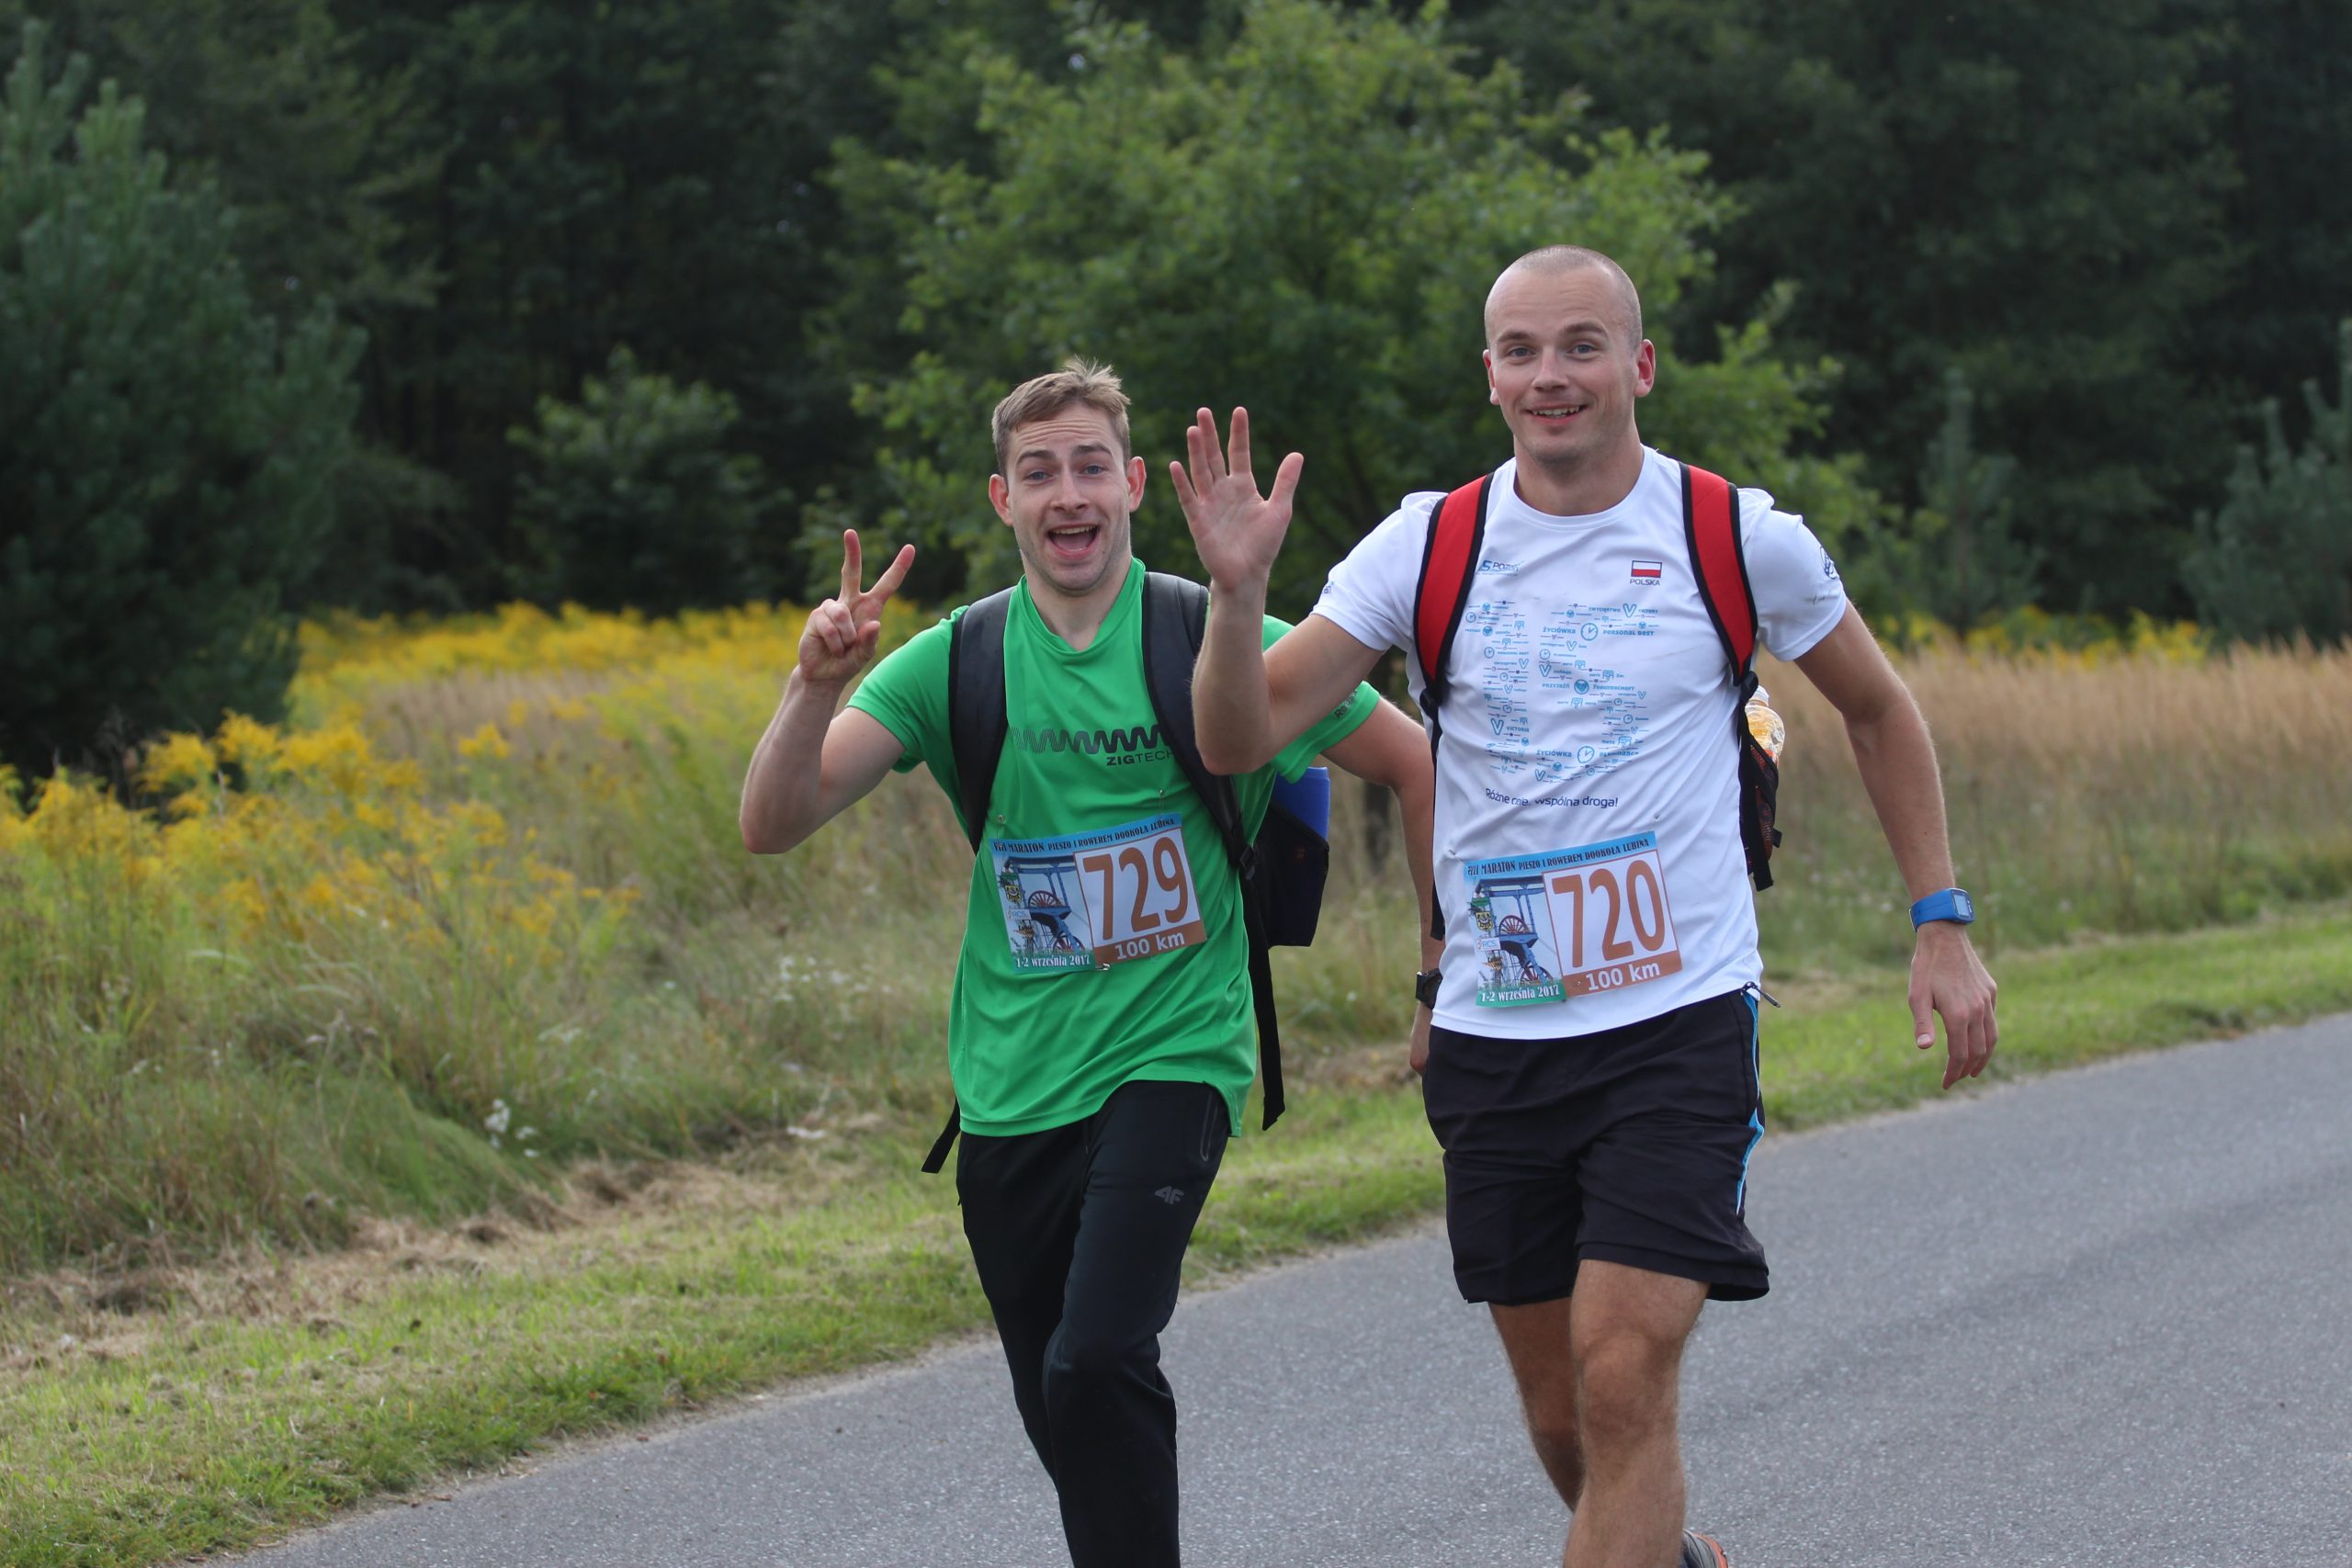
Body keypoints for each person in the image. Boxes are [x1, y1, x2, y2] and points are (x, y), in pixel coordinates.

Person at [1175, 247, 1998, 1568]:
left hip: (1676, 1022)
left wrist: (1940, 922)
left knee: (1624, 1381)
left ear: (1640, 365)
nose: (1550, 376)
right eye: (1520, 350)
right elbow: (1235, 736)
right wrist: (1233, 596)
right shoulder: (1428, 542)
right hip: (1498, 1037)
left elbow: (1878, 708)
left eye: (1579, 345)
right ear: (1490, 375)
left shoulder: (1733, 535)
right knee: (1565, 1410)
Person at [739, 359, 1437, 1568]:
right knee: (1066, 1406)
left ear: (1132, 490)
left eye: (1090, 467)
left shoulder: (1208, 634)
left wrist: (1443, 969)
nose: (1068, 493)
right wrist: (812, 688)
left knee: (1101, 1355)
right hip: (1010, 1088)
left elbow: (1418, 765)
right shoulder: (954, 662)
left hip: (1177, 1055)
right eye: (1038, 471)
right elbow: (774, 820)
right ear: (1002, 501)